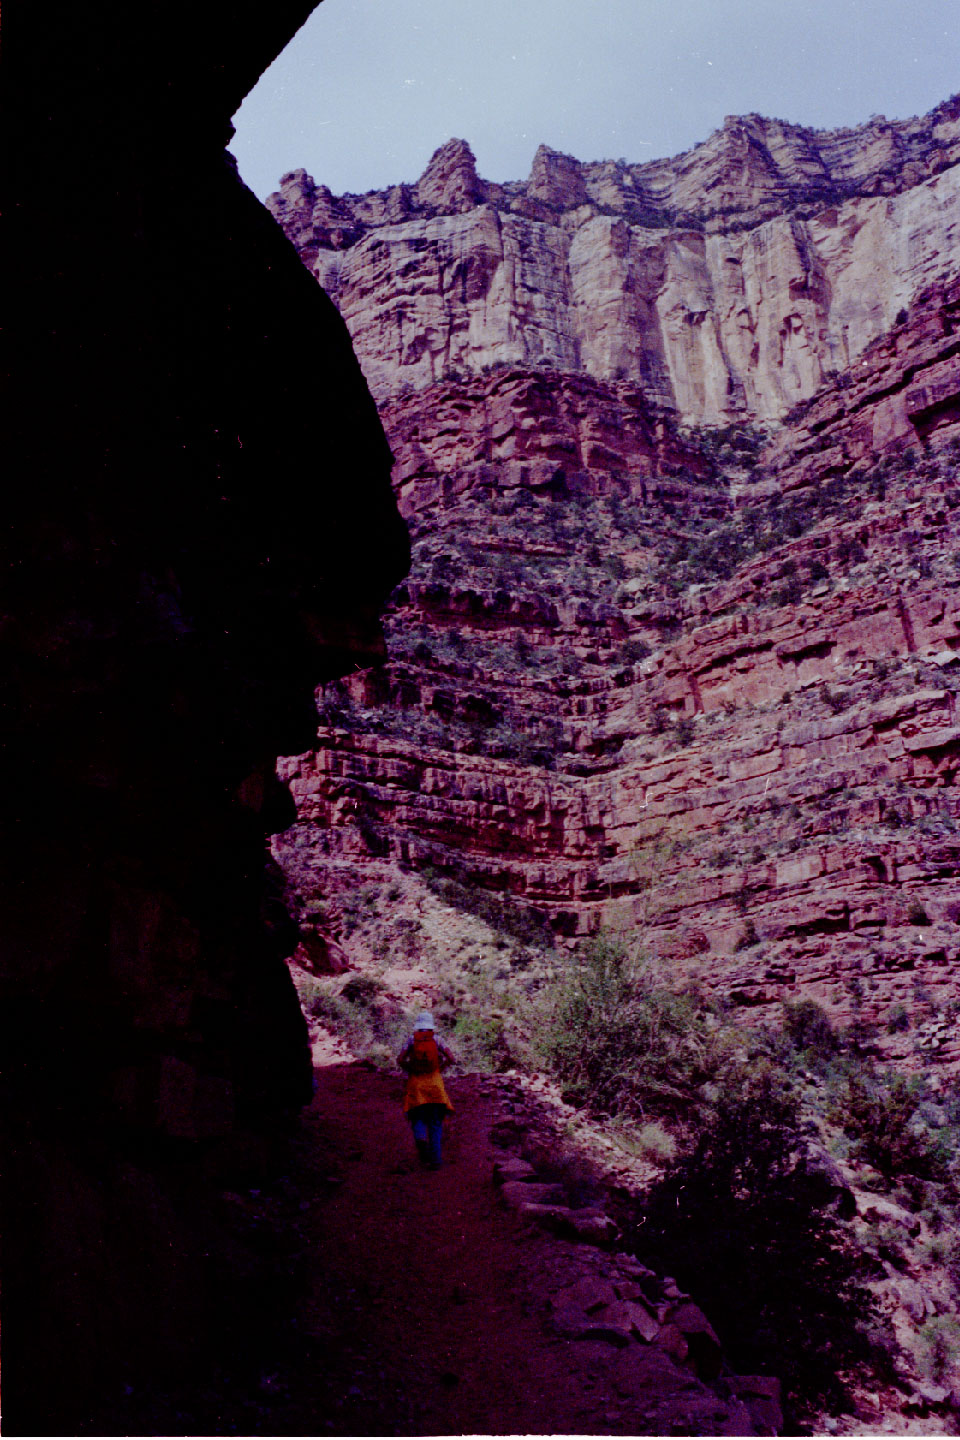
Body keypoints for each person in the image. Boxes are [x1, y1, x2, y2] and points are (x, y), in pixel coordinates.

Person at [397, 1011, 454, 1169]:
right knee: (436, 1123)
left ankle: (421, 1137)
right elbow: (451, 1058)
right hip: (435, 1085)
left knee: (418, 1118)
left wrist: (410, 1070)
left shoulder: (411, 1040)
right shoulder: (437, 1039)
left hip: (416, 1085)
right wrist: (440, 1069)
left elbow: (400, 1059)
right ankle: (436, 1161)